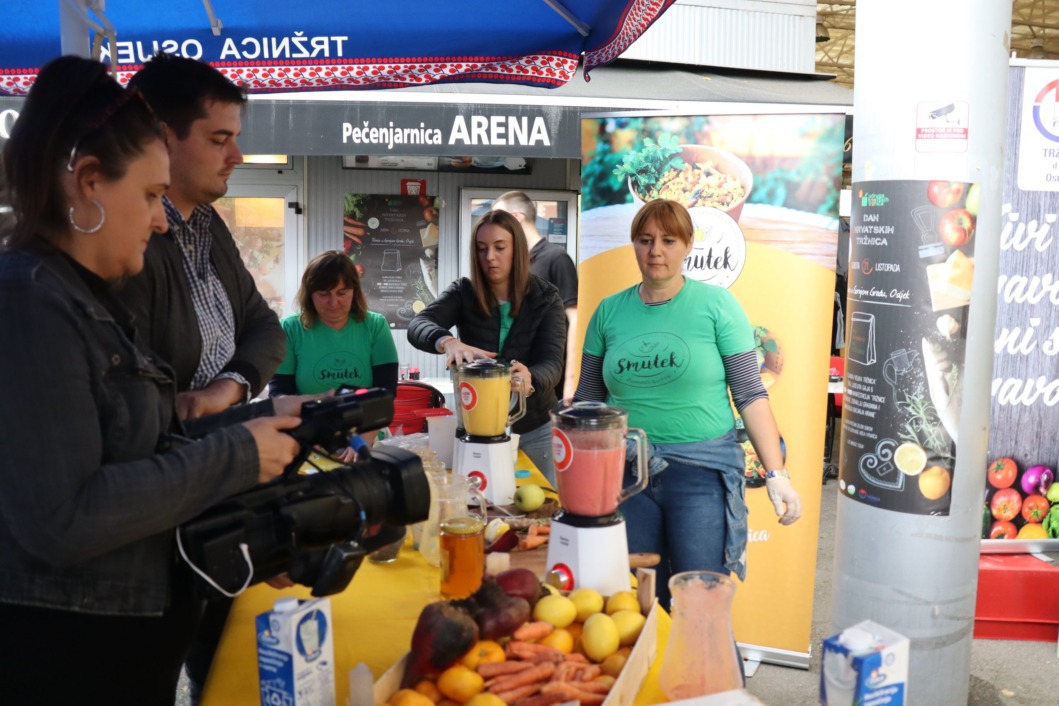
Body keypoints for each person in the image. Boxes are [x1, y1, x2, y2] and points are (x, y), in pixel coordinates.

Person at [0, 56, 303, 705]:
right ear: (87, 183)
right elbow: (65, 516)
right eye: (146, 197)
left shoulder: (84, 300)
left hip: (127, 652)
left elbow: (152, 449)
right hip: (67, 666)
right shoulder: (31, 304)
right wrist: (238, 452)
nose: (163, 220)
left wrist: (255, 450)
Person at [573, 199, 801, 610]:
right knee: (638, 606)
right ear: (633, 245)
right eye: (645, 240)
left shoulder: (717, 306)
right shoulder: (608, 312)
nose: (655, 251)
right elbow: (589, 403)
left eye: (667, 240)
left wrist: (777, 473)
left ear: (689, 245)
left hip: (701, 476)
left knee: (702, 604)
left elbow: (749, 393)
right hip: (627, 478)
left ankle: (714, 676)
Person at [119, 52, 285, 420]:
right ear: (162, 139)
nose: (237, 156)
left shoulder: (209, 224)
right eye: (219, 139)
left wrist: (225, 390)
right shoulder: (127, 244)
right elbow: (131, 410)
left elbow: (265, 325)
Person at [407, 210, 566, 482]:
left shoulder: (546, 298)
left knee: (538, 508)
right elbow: (418, 325)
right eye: (482, 249)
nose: (490, 257)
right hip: (477, 428)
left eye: (499, 247)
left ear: (517, 249)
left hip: (534, 428)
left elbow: (552, 362)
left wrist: (531, 378)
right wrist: (448, 342)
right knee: (481, 505)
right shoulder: (463, 293)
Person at [269, 250, 399, 455]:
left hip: (366, 431)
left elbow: (386, 392)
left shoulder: (375, 325)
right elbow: (280, 393)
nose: (333, 302)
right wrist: (303, 435)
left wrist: (363, 441)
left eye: (342, 292)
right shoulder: (290, 329)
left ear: (354, 291)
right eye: (324, 294)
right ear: (310, 294)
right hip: (308, 436)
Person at [492, 190, 578, 402]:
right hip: (512, 380)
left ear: (516, 218)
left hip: (547, 384)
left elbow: (575, 320)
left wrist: (571, 383)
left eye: (499, 219)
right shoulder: (513, 262)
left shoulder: (556, 258)